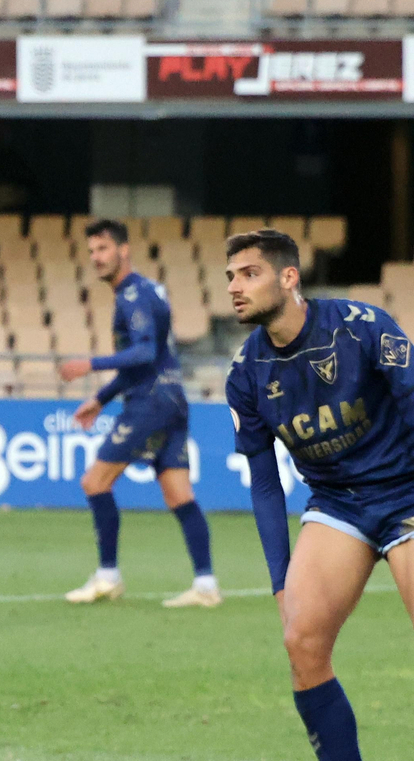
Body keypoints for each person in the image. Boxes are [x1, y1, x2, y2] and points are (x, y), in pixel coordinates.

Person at [225, 229, 414, 761]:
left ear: (289, 277)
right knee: (301, 643)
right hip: (338, 503)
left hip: (407, 491)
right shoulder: (246, 373)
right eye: (231, 277)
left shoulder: (364, 327)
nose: (236, 287)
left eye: (249, 274)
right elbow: (265, 485)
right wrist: (280, 582)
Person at [58, 220, 219, 608]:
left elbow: (144, 353)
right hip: (171, 397)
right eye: (92, 251)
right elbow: (151, 359)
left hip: (152, 402)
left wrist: (90, 364)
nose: (96, 257)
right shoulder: (146, 291)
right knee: (179, 494)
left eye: (103, 249)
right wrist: (102, 398)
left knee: (95, 482)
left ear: (123, 250)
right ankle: (206, 585)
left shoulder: (133, 296)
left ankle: (108, 576)